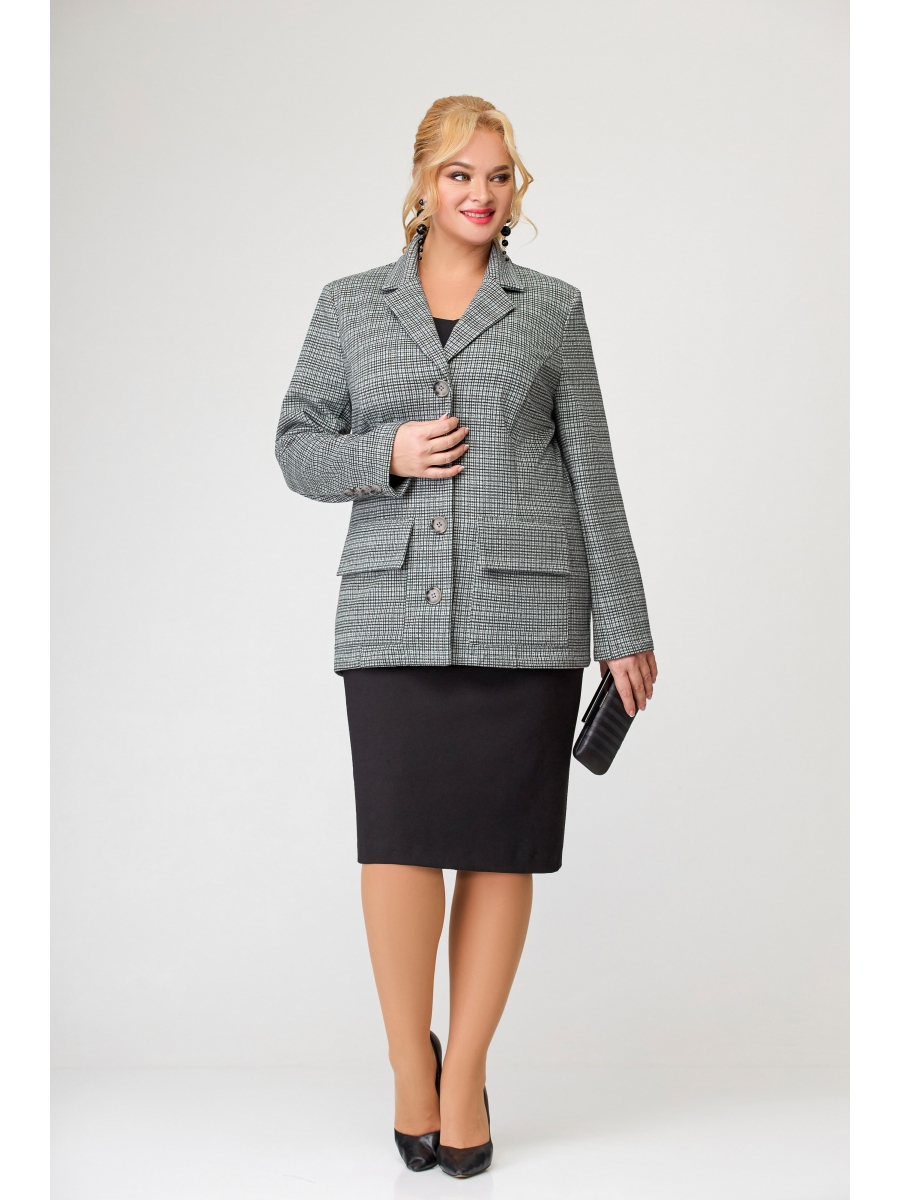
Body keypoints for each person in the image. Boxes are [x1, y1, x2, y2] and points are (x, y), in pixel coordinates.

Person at [275, 94, 657, 1179]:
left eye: (497, 176)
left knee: (499, 847)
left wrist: (625, 625)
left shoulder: (553, 310)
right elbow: (295, 444)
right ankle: (412, 1063)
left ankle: (466, 1072)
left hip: (528, 614)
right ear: (422, 182)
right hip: (389, 612)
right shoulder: (350, 305)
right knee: (397, 841)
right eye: (459, 174)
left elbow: (594, 471)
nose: (481, 194)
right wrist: (384, 453)